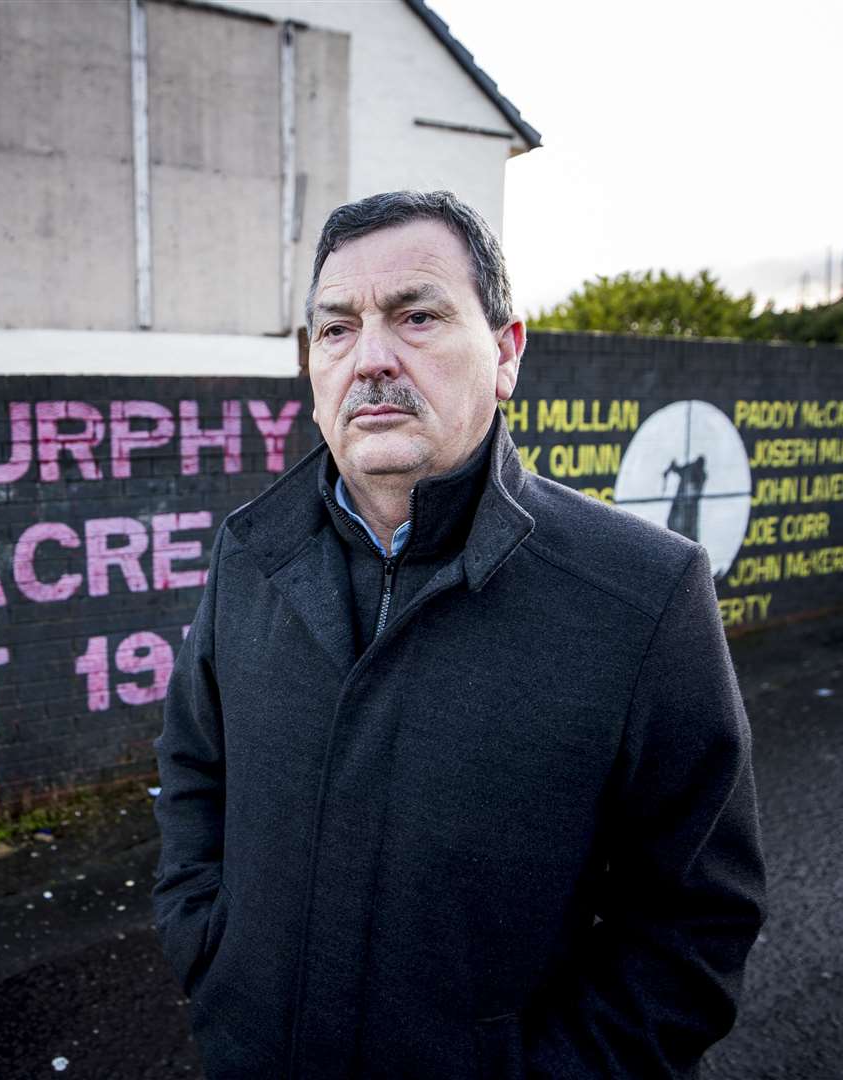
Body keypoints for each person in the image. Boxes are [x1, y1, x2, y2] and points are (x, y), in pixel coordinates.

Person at [151, 190, 766, 1079]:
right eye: (336, 330)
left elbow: (693, 923)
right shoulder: (250, 553)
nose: (371, 359)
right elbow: (194, 771)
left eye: (418, 316)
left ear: (506, 352)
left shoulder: (642, 595)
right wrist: (208, 956)